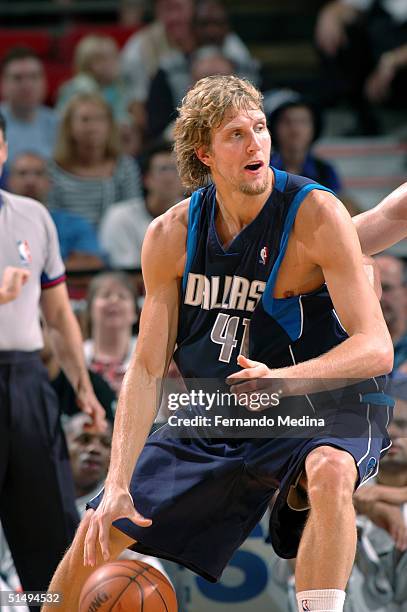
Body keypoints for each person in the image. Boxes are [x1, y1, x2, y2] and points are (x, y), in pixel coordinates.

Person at [44, 75, 394, 612]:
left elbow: (377, 348)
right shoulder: (171, 235)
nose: (256, 143)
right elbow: (145, 369)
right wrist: (117, 481)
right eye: (236, 134)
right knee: (100, 522)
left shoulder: (313, 213)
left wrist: (284, 379)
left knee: (329, 471)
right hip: (220, 405)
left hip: (320, 398)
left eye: (260, 128)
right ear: (204, 152)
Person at [0, 110, 106, 597]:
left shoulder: (34, 217)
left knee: (49, 530)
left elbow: (61, 317)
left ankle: (53, 607)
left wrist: (84, 388)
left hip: (26, 381)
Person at [47, 92, 142, 227]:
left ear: (110, 125)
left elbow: (133, 215)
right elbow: (52, 218)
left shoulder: (125, 166)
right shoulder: (53, 170)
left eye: (100, 119)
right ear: (69, 126)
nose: (93, 127)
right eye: (85, 120)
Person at [7, 151, 105, 271]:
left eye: (39, 174)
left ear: (49, 182)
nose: (30, 181)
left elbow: (92, 263)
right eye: (22, 173)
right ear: (9, 181)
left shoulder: (74, 224)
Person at [99, 141, 184, 268]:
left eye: (176, 169)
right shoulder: (119, 216)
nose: (170, 177)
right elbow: (127, 271)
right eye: (163, 169)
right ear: (146, 179)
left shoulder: (195, 216)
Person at [0, 47, 59, 164]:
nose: (27, 85)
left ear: (44, 82)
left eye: (34, 77)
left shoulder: (60, 125)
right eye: (18, 78)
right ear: (3, 84)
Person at [83, 272, 138, 395]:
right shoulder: (76, 358)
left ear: (135, 313)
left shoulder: (151, 357)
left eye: (122, 296)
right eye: (105, 295)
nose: (114, 300)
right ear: (90, 310)